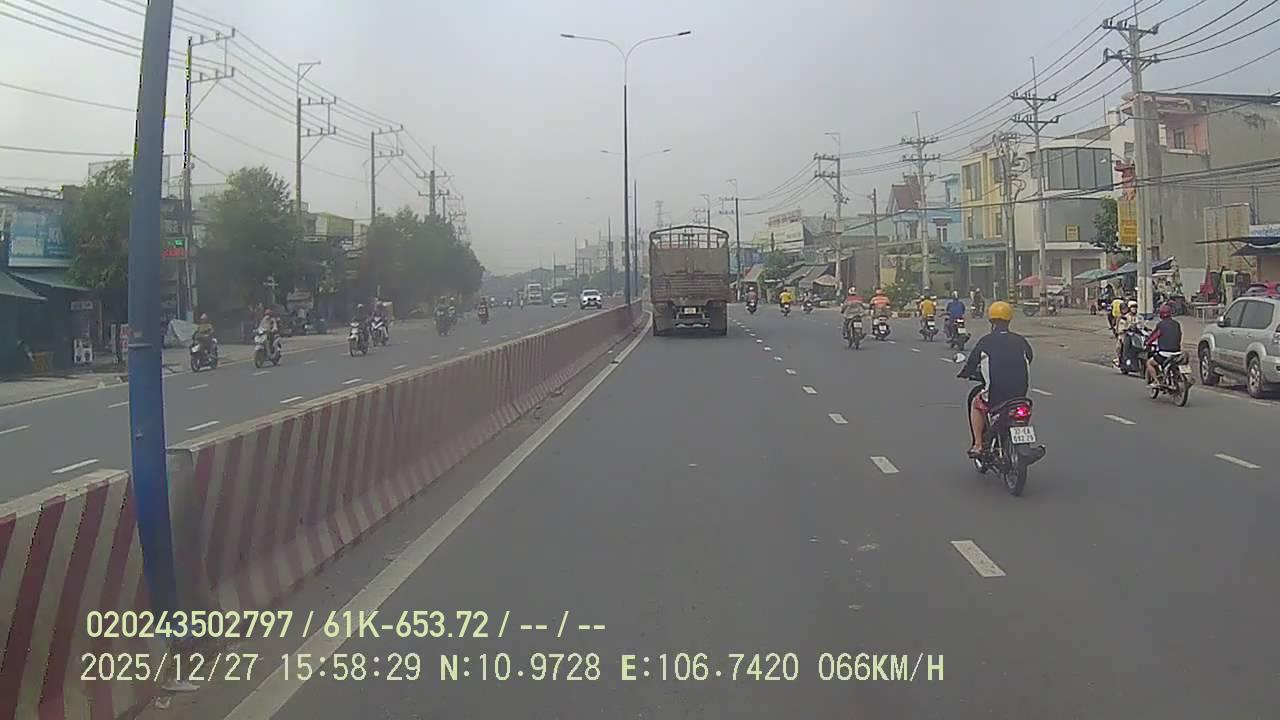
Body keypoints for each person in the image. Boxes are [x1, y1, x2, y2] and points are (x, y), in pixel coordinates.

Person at [957, 300, 1033, 457]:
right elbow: (1029, 358)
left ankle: (978, 444)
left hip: (996, 395)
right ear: (1009, 319)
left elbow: (971, 364)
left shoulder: (986, 341)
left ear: (991, 320)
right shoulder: (1021, 341)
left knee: (976, 403)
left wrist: (965, 373)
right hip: (1020, 395)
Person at [1145, 303, 1183, 386]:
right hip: (1177, 352)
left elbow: (1153, 337)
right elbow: (1179, 335)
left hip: (1164, 353)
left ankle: (1156, 381)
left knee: (1149, 363)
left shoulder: (1161, 325)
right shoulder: (1176, 324)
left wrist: (1147, 342)